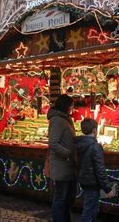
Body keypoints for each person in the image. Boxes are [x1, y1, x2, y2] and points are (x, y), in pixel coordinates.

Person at [75, 118, 113, 222]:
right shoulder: (95, 146)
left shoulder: (78, 144)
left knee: (91, 209)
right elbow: (100, 169)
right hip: (92, 182)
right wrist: (107, 188)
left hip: (84, 180)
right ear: (95, 130)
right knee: (89, 211)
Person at [48, 94, 76, 222]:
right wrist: (68, 153)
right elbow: (53, 143)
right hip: (61, 165)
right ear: (66, 106)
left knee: (66, 198)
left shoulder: (64, 119)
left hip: (67, 165)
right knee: (61, 198)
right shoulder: (58, 120)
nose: (72, 108)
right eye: (71, 106)